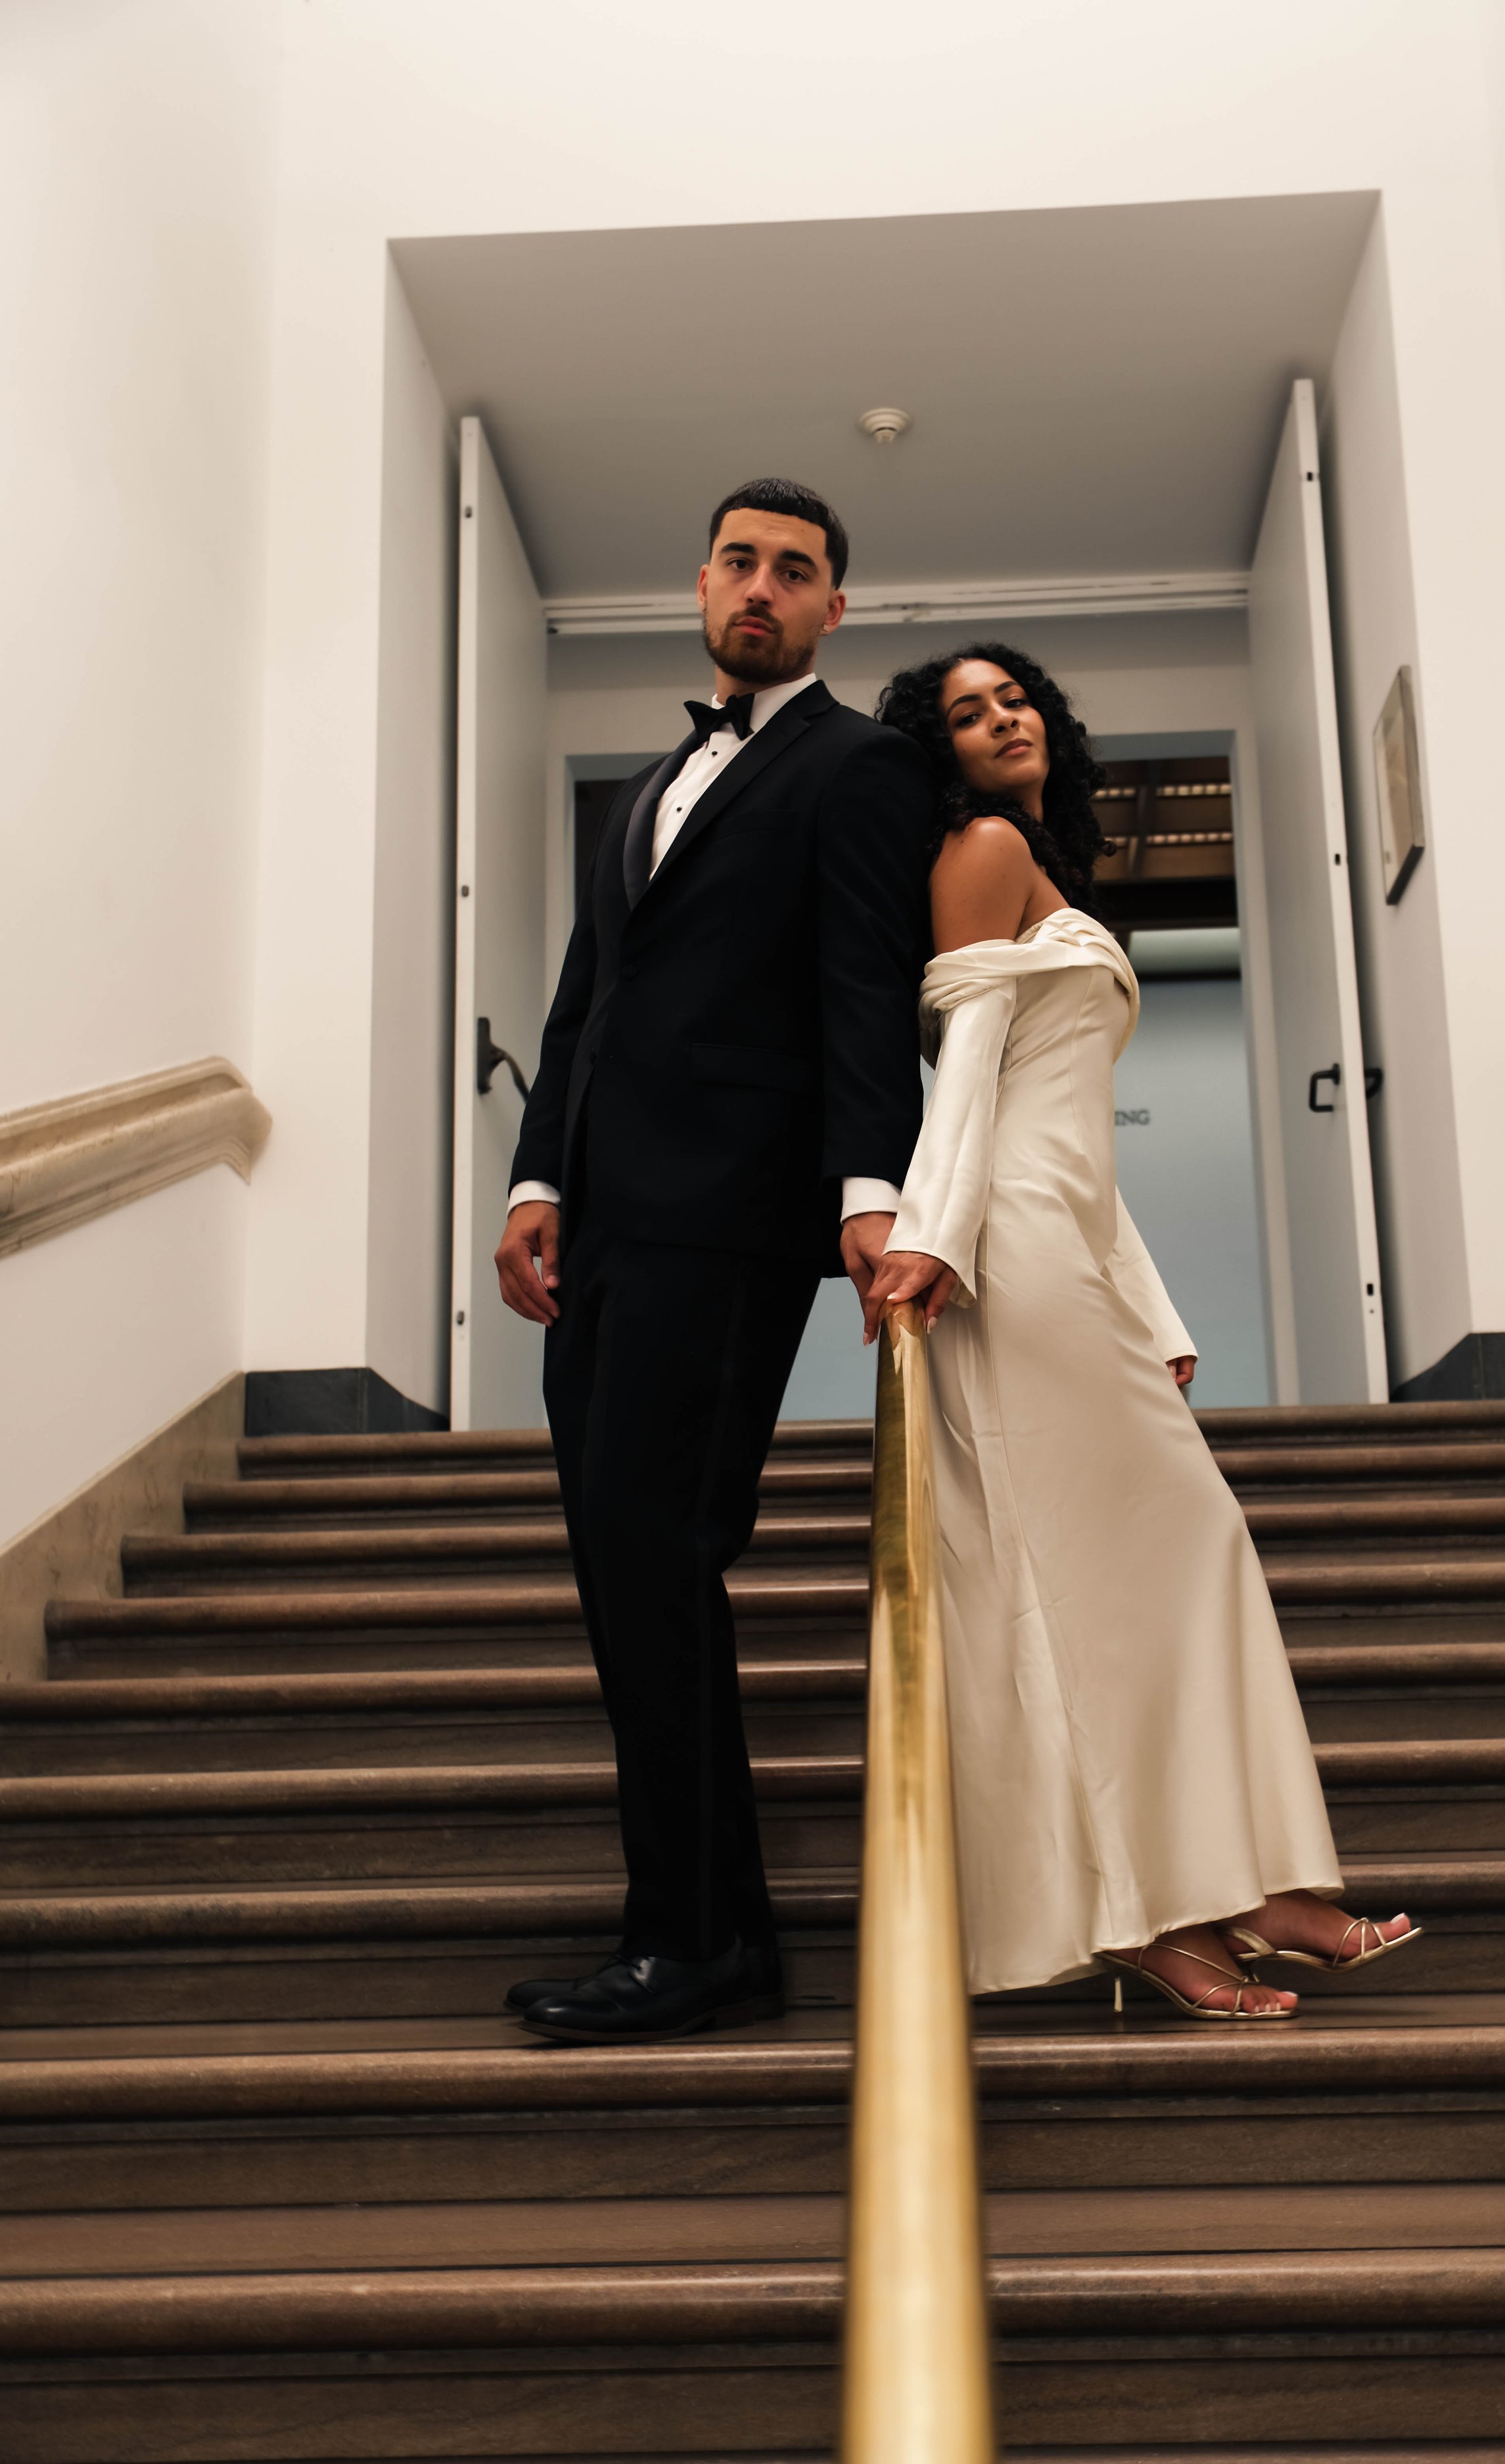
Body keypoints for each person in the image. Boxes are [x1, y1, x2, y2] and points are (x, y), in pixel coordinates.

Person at [864, 645, 1418, 2019]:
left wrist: (1151, 1305)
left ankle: (1221, 1890)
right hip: (1006, 1255)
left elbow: (1081, 1149)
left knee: (1168, 1558)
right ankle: (1172, 1914)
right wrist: (927, 1231)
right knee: (1118, 1572)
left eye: (1015, 700)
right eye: (967, 714)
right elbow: (970, 1077)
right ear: (938, 753)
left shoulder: (1046, 868)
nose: (1004, 721)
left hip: (1068, 1248)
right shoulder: (981, 850)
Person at [493, 480, 933, 2044]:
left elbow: (865, 992)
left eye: (794, 571)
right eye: (739, 562)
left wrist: (870, 1195)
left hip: (728, 1221)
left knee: (658, 1550)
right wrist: (538, 1174)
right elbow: (578, 1005)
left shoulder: (862, 769)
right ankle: (711, 1932)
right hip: (601, 1223)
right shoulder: (650, 779)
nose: (760, 588)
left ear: (831, 610)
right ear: (699, 583)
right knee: (626, 1566)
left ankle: (688, 1941)